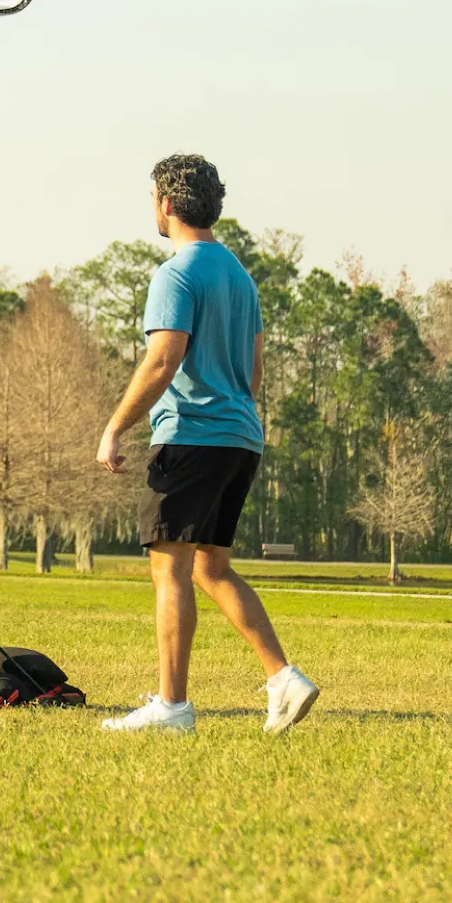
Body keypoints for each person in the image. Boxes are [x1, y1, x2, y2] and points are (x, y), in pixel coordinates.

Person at [94, 153, 319, 736]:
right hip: (240, 438)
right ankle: (283, 679)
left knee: (170, 570)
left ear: (165, 204)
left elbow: (163, 358)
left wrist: (115, 426)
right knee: (213, 569)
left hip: (190, 437)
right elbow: (255, 366)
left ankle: (171, 707)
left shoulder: (176, 274)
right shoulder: (238, 275)